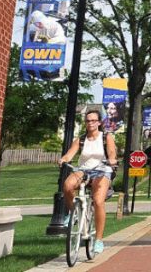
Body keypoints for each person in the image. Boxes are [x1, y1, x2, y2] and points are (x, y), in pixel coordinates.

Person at [58, 109, 117, 255]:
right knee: (67, 185)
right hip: (84, 169)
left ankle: (98, 240)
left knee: (98, 201)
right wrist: (64, 159)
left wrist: (112, 159)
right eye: (88, 120)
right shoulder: (81, 139)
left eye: (93, 120)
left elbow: (111, 152)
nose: (90, 123)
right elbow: (70, 154)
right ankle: (74, 213)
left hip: (102, 170)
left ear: (99, 122)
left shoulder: (106, 137)